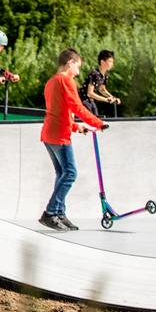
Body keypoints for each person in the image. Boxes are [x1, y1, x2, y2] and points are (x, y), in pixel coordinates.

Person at [39, 47, 107, 232]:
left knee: (61, 174)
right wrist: (98, 123)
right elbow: (77, 107)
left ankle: (59, 214)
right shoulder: (67, 80)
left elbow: (61, 111)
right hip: (60, 136)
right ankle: (51, 212)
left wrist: (77, 126)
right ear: (70, 63)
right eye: (77, 67)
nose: (77, 72)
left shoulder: (51, 82)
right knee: (70, 173)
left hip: (48, 134)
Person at [79, 50, 120, 118]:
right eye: (110, 61)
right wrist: (106, 99)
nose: (112, 64)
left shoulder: (104, 75)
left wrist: (113, 98)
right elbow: (90, 93)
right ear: (102, 62)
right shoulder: (94, 74)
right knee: (90, 117)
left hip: (90, 100)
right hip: (83, 100)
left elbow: (102, 89)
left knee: (96, 116)